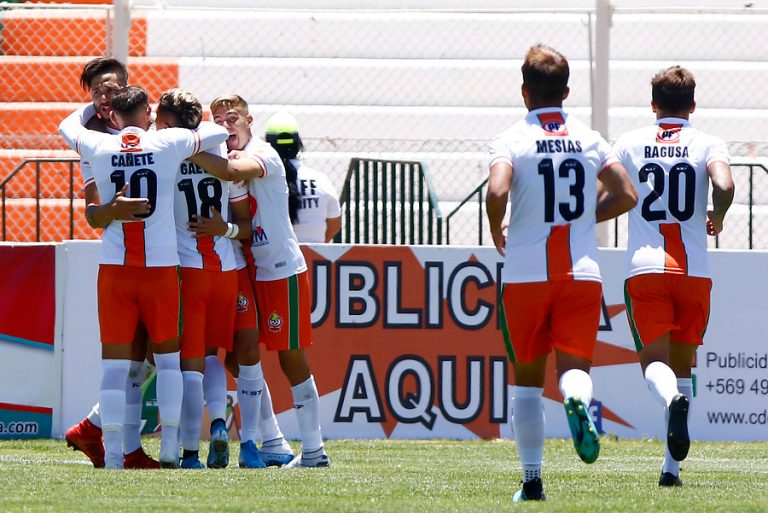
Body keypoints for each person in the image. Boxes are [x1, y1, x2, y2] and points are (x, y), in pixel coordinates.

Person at [485, 45, 637, 502]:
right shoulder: (590, 138)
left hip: (526, 275)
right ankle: (576, 395)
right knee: (575, 370)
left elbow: (497, 189)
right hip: (582, 274)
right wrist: (586, 216)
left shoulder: (511, 137)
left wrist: (497, 226)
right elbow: (627, 193)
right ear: (566, 92)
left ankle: (532, 482)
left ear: (524, 92)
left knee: (527, 381)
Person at [58, 85, 229, 468]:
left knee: (114, 367)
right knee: (168, 363)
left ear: (113, 117)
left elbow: (66, 125)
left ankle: (115, 455)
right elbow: (216, 132)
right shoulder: (167, 142)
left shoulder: (98, 144)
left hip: (116, 269)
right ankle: (170, 449)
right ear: (148, 112)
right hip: (161, 270)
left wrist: (94, 106)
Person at [188, 94, 329, 468]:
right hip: (251, 270)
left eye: (232, 117)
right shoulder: (229, 160)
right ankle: (274, 441)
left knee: (291, 357)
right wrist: (226, 228)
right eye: (218, 119)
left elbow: (234, 174)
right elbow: (244, 225)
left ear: (249, 120)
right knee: (237, 357)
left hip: (281, 269)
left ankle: (314, 450)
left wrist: (184, 148)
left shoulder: (263, 155)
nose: (226, 124)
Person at [613, 66, 734, 487]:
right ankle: (670, 471)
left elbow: (608, 189)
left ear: (653, 105)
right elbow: (725, 183)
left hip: (646, 269)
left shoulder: (629, 142)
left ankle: (672, 402)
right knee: (683, 368)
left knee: (654, 366)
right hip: (693, 272)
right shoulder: (707, 142)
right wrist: (717, 213)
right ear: (693, 106)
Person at [64, 57, 160, 470]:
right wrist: (114, 209)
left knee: (151, 355)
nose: (104, 98)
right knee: (144, 355)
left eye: (110, 89)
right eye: (96, 92)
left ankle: (98, 428)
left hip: (164, 254)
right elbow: (92, 215)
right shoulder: (93, 142)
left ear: (127, 89)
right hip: (125, 259)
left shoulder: (150, 129)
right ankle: (124, 444)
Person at [263, 112, 341, 243]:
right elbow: (334, 223)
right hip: (315, 258)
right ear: (298, 143)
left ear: (268, 145)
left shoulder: (262, 181)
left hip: (274, 258)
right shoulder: (320, 180)